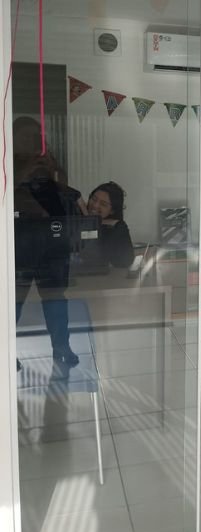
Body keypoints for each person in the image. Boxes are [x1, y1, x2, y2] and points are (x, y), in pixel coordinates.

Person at [13, 116, 83, 367]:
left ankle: (62, 347)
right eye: (26, 136)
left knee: (55, 297)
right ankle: (7, 353)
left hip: (53, 240)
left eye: (37, 136)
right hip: (20, 242)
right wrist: (25, 171)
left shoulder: (47, 160)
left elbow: (63, 191)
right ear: (14, 138)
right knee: (13, 300)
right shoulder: (6, 161)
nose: (32, 141)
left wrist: (54, 170)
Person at [86, 181, 135, 268]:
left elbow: (126, 260)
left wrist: (113, 226)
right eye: (94, 199)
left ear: (112, 210)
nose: (95, 205)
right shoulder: (75, 216)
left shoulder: (116, 227)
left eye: (103, 204)